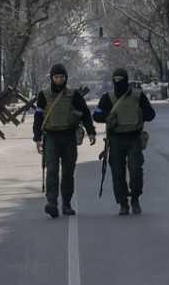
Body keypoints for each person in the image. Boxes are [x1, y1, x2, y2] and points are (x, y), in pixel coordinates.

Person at [33, 63, 95, 218]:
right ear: (52, 78)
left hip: (68, 137)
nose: (59, 80)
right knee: (52, 170)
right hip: (51, 137)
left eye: (61, 77)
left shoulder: (73, 95)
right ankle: (52, 203)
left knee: (68, 172)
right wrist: (37, 137)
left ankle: (66, 203)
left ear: (66, 78)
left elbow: (85, 114)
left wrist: (91, 132)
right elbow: (38, 117)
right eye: (56, 77)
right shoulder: (44, 95)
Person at [96, 67, 156, 215]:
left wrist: (141, 112)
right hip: (115, 139)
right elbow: (96, 115)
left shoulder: (138, 96)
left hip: (134, 138)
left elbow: (151, 114)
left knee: (136, 171)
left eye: (120, 79)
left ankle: (135, 199)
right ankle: (123, 203)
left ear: (126, 80)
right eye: (115, 80)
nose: (118, 82)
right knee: (117, 173)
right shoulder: (107, 98)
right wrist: (107, 117)